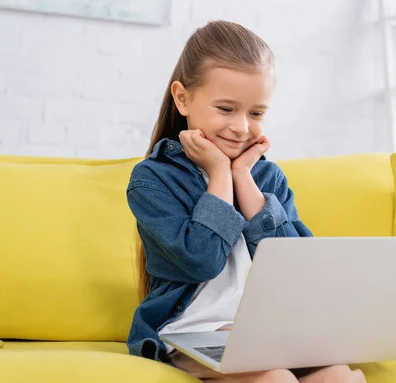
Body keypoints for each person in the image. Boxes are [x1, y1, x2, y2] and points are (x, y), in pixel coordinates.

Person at [126, 20, 366, 383]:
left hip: (267, 330)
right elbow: (201, 260)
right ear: (183, 98)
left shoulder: (267, 178)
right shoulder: (153, 180)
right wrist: (220, 173)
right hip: (191, 332)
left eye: (256, 113)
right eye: (226, 109)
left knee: (341, 376)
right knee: (275, 379)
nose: (241, 127)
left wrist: (243, 179)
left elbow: (299, 273)